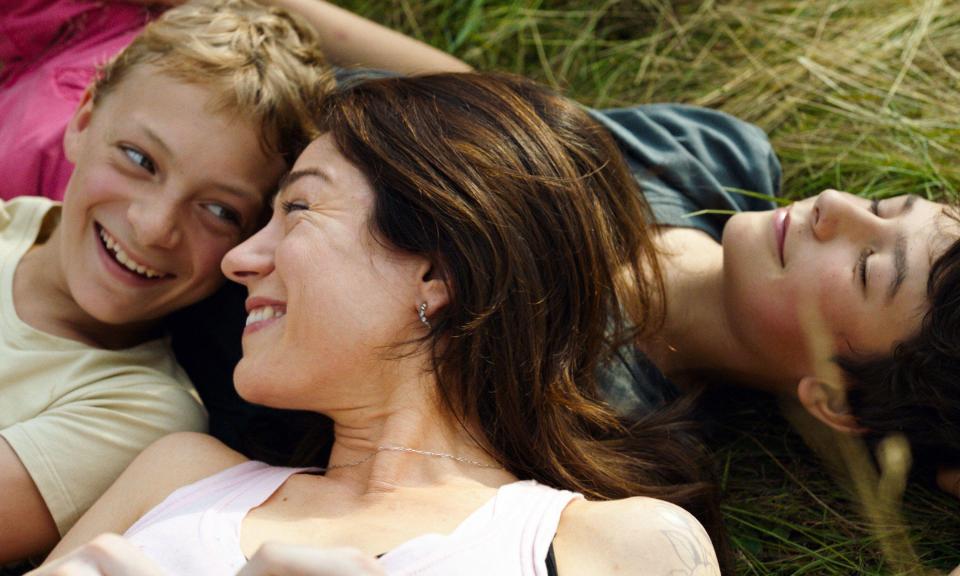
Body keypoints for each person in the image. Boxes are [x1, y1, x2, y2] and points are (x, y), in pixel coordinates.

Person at [34, 72, 725, 575]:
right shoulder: (178, 474)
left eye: (299, 209)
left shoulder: (619, 547)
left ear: (440, 272)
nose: (240, 259)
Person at [0, 0, 471, 564]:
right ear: (81, 123)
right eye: (138, 159)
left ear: (251, 241)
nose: (153, 227)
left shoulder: (138, 409)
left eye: (219, 211)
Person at [589, 106, 960, 490]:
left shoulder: (609, 444)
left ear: (832, 398)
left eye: (866, 268)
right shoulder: (714, 156)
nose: (832, 203)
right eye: (879, 207)